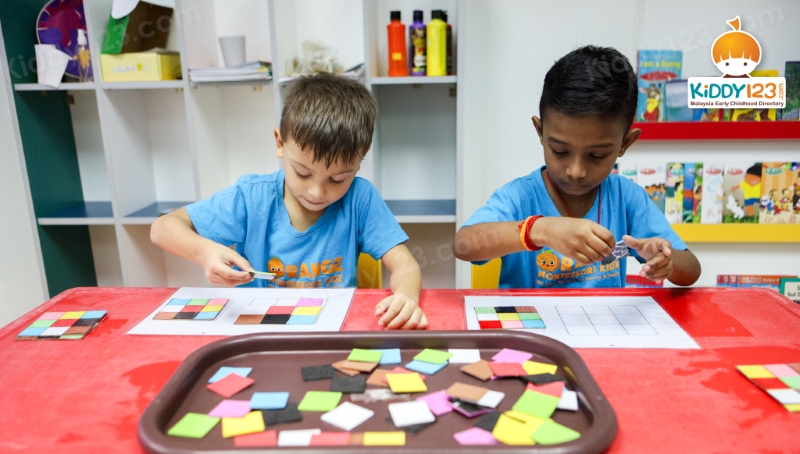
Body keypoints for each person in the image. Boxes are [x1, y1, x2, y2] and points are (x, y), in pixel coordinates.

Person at [151, 73, 427, 329]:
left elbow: (405, 264)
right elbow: (163, 228)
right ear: (280, 143)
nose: (317, 192)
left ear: (361, 157)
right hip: (258, 331)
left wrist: (406, 297)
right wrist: (205, 252)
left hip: (330, 330)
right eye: (303, 173)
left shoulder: (360, 198)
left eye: (338, 179)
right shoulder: (252, 197)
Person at [453, 45, 701, 288]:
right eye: (560, 151)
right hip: (528, 317)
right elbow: (463, 245)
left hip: (604, 318)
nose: (576, 171)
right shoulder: (518, 197)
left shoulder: (627, 198)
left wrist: (668, 261)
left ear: (625, 144)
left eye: (596, 155)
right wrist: (541, 229)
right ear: (540, 132)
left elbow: (691, 270)